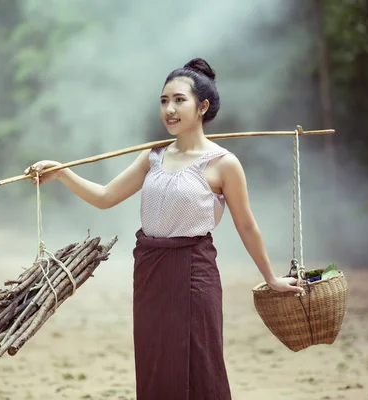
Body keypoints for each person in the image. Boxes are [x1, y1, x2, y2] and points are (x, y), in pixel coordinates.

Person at [24, 58, 303, 400]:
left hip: (194, 274)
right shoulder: (152, 157)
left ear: (202, 106)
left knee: (199, 363)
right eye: (164, 101)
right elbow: (106, 196)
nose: (169, 109)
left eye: (179, 100)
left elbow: (246, 226)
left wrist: (272, 278)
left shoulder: (223, 164)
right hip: (150, 273)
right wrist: (62, 172)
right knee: (155, 363)